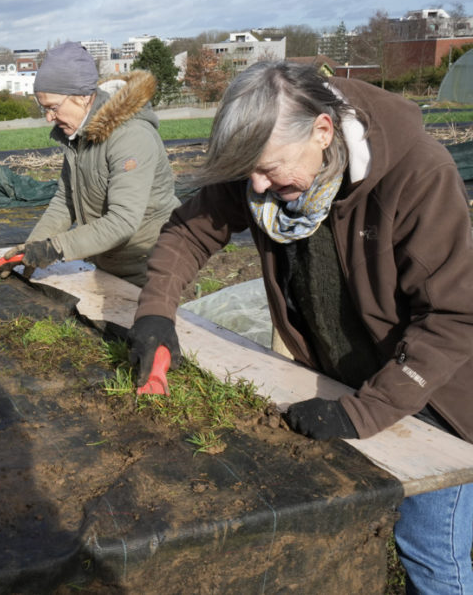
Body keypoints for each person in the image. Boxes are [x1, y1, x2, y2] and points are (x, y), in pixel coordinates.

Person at [127, 61, 473, 594]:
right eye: (250, 175)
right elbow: (187, 233)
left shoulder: (417, 174)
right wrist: (154, 314)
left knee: (431, 552)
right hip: (344, 380)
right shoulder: (264, 175)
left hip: (433, 397)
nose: (258, 186)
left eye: (270, 169)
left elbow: (453, 317)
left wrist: (361, 413)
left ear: (323, 131)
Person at [0, 41, 180, 285]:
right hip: (108, 261)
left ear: (82, 97)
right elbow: (65, 201)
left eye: (53, 107)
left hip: (151, 264)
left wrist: (55, 249)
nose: (49, 117)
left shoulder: (131, 136)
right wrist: (30, 249)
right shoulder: (78, 137)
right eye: (44, 109)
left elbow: (123, 221)